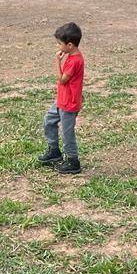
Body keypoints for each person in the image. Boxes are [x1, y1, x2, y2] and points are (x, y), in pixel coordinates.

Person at [38, 22, 84, 174]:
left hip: (69, 104)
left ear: (69, 45)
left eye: (59, 44)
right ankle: (54, 151)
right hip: (61, 100)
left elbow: (62, 80)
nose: (58, 47)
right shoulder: (71, 57)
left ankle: (73, 160)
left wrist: (57, 61)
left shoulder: (75, 61)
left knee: (67, 132)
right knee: (49, 121)